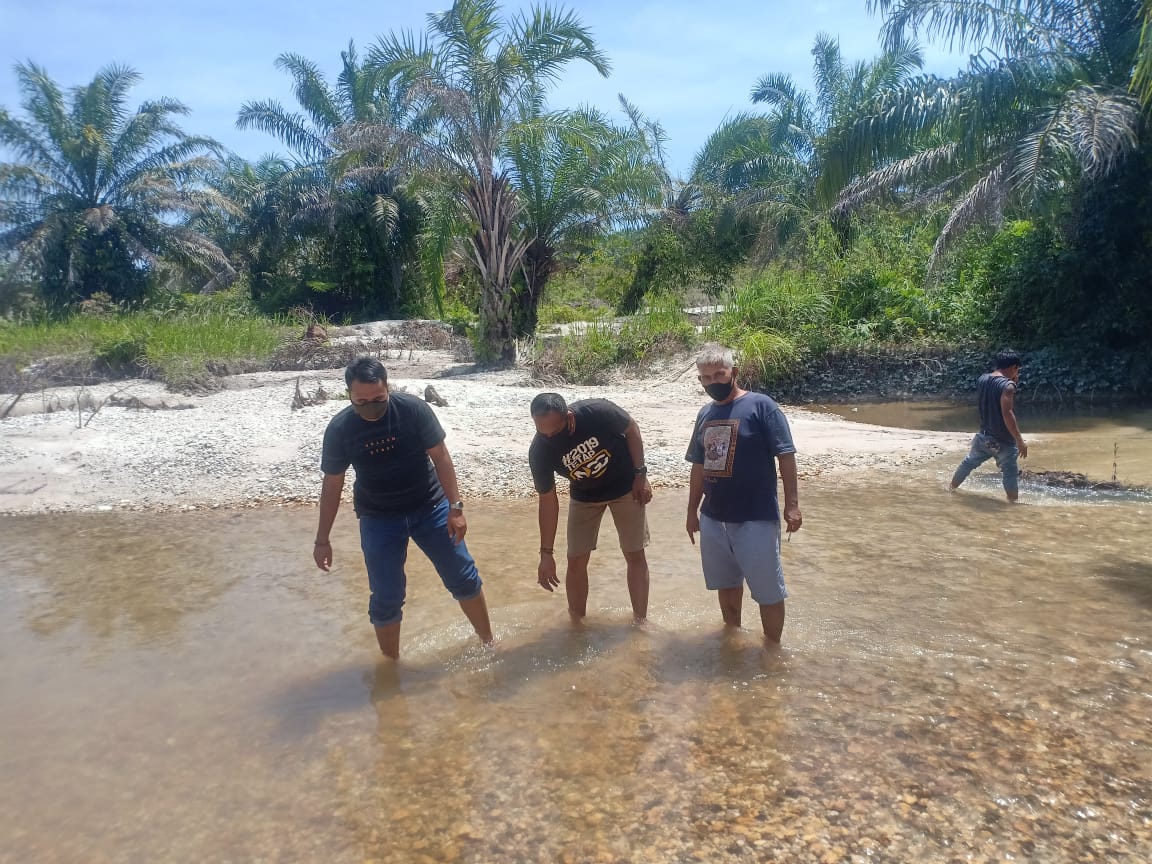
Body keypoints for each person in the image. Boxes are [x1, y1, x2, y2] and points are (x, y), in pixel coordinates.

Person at [313, 357, 494, 659]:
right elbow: (332, 486)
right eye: (362, 401)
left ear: (389, 388)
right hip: (378, 517)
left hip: (430, 506)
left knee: (463, 576)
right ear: (349, 395)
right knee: (385, 597)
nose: (370, 406)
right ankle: (391, 669)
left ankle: (489, 643)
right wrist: (322, 539)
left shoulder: (412, 410)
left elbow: (442, 458)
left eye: (378, 399)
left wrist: (456, 508)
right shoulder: (340, 429)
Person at [685, 343, 802, 644]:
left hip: (756, 517)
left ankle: (772, 651)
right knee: (726, 584)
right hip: (713, 518)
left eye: (719, 375)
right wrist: (691, 513)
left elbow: (786, 456)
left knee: (768, 591)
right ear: (700, 381)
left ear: (734, 373)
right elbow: (698, 465)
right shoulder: (704, 414)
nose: (713, 382)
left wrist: (792, 506)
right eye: (706, 378)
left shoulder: (762, 406)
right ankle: (732, 640)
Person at [528, 393, 652, 622]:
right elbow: (547, 501)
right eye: (541, 432)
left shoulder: (597, 411)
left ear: (568, 417)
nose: (549, 438)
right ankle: (577, 624)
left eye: (554, 432)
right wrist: (546, 554)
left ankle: (640, 622)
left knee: (634, 554)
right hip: (584, 496)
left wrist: (640, 475)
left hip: (625, 486)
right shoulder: (540, 450)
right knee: (575, 559)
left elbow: (632, 428)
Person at [950, 349, 1029, 502]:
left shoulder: (983, 379)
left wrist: (1012, 380)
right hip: (1004, 441)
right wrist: (1019, 440)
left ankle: (951, 489)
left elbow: (992, 398)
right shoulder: (1008, 386)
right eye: (1017, 369)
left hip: (984, 437)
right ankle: (1013, 505)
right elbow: (1007, 413)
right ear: (1013, 367)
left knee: (968, 463)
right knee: (1010, 473)